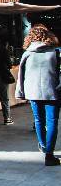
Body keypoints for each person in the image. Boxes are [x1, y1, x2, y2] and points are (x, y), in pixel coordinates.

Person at [16, 24, 60, 167]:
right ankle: (49, 154)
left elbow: (21, 75)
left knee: (39, 120)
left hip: (33, 92)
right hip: (52, 91)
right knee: (52, 121)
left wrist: (21, 92)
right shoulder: (56, 52)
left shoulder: (27, 53)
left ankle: (43, 145)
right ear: (48, 36)